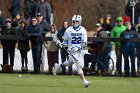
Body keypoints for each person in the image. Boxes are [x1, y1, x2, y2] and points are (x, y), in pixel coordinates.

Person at [52, 15, 91, 88]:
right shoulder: (68, 30)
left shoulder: (83, 30)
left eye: (77, 21)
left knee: (70, 62)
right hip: (71, 51)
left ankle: (58, 66)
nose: (75, 23)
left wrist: (78, 47)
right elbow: (65, 40)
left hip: (78, 51)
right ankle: (85, 82)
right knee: (79, 66)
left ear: (80, 21)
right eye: (74, 21)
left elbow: (85, 43)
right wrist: (63, 44)